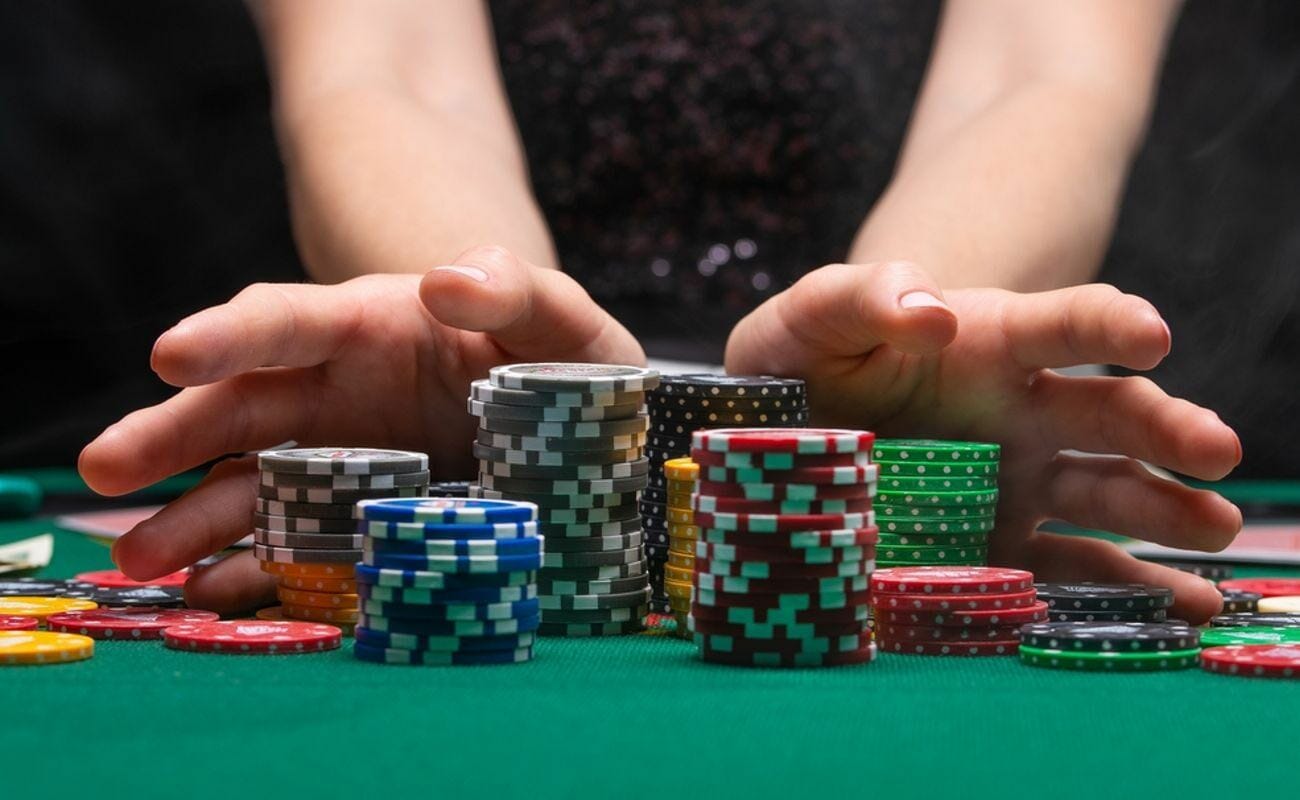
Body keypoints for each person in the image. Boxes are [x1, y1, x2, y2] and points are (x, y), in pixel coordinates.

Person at [75, 0, 1247, 622]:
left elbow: (1042, 71)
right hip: (451, 390)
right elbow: (384, 66)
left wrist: (897, 328)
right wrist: (490, 354)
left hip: (900, 380)